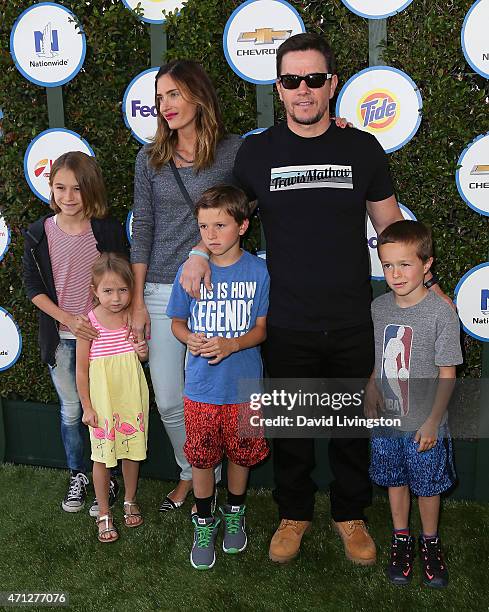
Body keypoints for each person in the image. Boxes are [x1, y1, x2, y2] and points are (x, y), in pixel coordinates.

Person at [180, 33, 450, 566]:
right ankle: (294, 514)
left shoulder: (361, 147)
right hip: (287, 318)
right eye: (291, 80)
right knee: (293, 430)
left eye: (313, 79)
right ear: (278, 89)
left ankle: (350, 515)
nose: (302, 90)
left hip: (353, 316)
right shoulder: (257, 153)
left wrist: (427, 285)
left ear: (332, 85)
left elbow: (390, 224)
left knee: (351, 427)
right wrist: (195, 253)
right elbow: (226, 215)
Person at [130, 60, 243, 510]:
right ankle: (194, 472)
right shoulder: (149, 158)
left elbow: (248, 204)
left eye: (173, 94)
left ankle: (214, 483)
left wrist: (201, 251)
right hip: (159, 288)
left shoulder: (233, 153)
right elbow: (143, 229)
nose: (165, 105)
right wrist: (137, 301)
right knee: (170, 398)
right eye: (160, 97)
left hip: (219, 288)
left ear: (198, 94)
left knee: (219, 399)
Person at [166, 185, 269, 569]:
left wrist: (232, 345)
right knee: (203, 458)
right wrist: (188, 337)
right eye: (203, 225)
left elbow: (262, 330)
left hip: (245, 389)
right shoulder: (190, 271)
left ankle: (235, 513)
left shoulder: (259, 272)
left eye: (220, 225)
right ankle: (204, 520)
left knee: (242, 455)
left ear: (242, 226)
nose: (210, 234)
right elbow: (177, 322)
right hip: (201, 389)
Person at [23, 152, 128, 514]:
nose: (68, 197)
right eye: (60, 188)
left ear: (91, 189)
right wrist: (68, 319)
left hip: (105, 341)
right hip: (63, 341)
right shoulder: (39, 233)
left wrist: (112, 322)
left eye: (77, 189)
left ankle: (109, 475)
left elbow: (123, 281)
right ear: (51, 190)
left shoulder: (107, 229)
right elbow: (32, 287)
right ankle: (78, 474)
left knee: (108, 409)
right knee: (72, 409)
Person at [365, 221, 462, 588]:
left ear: (426, 264)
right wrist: (371, 387)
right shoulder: (379, 308)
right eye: (388, 265)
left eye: (405, 264)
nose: (395, 273)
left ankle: (431, 544)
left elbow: (447, 374)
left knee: (427, 486)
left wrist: (434, 421)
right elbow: (381, 359)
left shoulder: (441, 312)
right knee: (395, 480)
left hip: (425, 422)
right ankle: (401, 538)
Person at [76, 253, 149, 542]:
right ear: (94, 291)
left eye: (122, 290)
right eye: (108, 291)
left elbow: (141, 355)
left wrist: (143, 352)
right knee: (102, 458)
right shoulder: (88, 325)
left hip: (131, 396)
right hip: (103, 402)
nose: (116, 298)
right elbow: (82, 371)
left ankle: (130, 498)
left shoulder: (134, 318)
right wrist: (87, 406)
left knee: (132, 451)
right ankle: (104, 512)